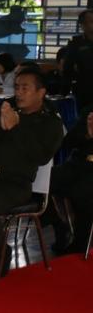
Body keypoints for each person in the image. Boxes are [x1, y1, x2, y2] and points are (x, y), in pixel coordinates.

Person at [0, 67, 63, 275]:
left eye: (25, 88)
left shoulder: (50, 122)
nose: (18, 93)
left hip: (15, 183)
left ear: (41, 92)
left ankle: (2, 252)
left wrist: (16, 127)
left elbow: (41, 157)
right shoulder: (7, 111)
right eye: (17, 87)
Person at [49, 106, 93, 254]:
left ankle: (81, 242)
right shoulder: (90, 111)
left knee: (81, 192)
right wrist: (87, 134)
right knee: (40, 182)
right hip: (77, 165)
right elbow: (67, 142)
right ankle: (60, 226)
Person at [62, 9, 93, 109]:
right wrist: (65, 90)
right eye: (90, 21)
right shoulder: (76, 42)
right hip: (84, 88)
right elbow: (67, 67)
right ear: (82, 25)